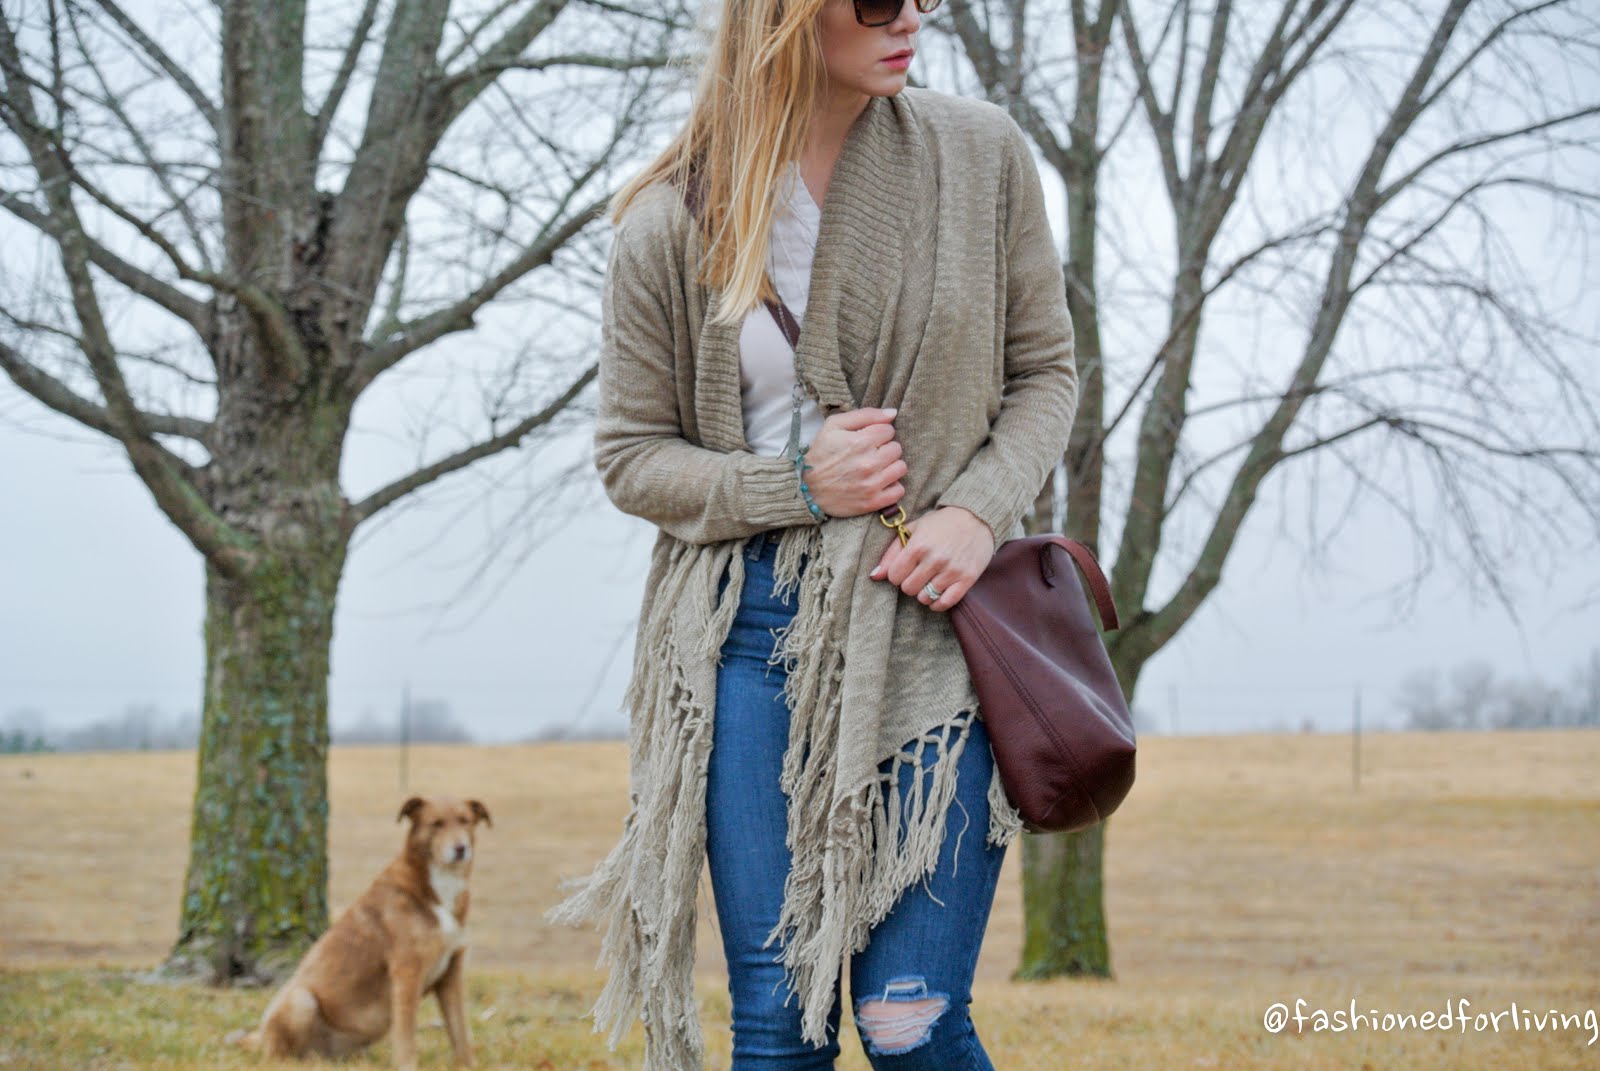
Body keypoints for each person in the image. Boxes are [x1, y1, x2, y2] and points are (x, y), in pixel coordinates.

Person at [548, 1, 1079, 1068]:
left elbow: (1044, 374)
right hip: (749, 638)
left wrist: (976, 512)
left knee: (909, 1018)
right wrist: (796, 479)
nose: (913, 14)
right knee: (780, 1024)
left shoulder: (978, 156)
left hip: (933, 634)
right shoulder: (672, 218)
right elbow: (632, 457)